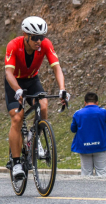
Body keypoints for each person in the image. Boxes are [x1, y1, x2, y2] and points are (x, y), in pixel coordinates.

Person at [5, 16, 70, 180]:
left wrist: (62, 89)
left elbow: (57, 68)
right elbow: (8, 73)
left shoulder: (45, 45)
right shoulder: (13, 45)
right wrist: (18, 90)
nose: (39, 41)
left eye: (42, 37)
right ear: (25, 35)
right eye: (35, 38)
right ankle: (16, 162)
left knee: (44, 106)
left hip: (32, 80)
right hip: (14, 81)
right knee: (17, 118)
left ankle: (35, 137)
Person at [71, 92, 106, 177]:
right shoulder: (103, 112)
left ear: (85, 102)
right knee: (102, 172)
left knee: (86, 173)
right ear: (97, 102)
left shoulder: (78, 114)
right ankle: (102, 190)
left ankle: (87, 190)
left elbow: (73, 129)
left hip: (84, 147)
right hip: (100, 146)